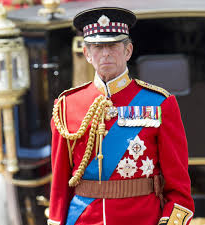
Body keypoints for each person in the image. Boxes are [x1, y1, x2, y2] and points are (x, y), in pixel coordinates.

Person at [48, 7, 195, 225]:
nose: (105, 53)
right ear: (87, 54)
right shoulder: (66, 105)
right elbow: (60, 183)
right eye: (97, 47)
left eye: (113, 45)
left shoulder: (160, 103)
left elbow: (179, 188)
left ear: (128, 51)